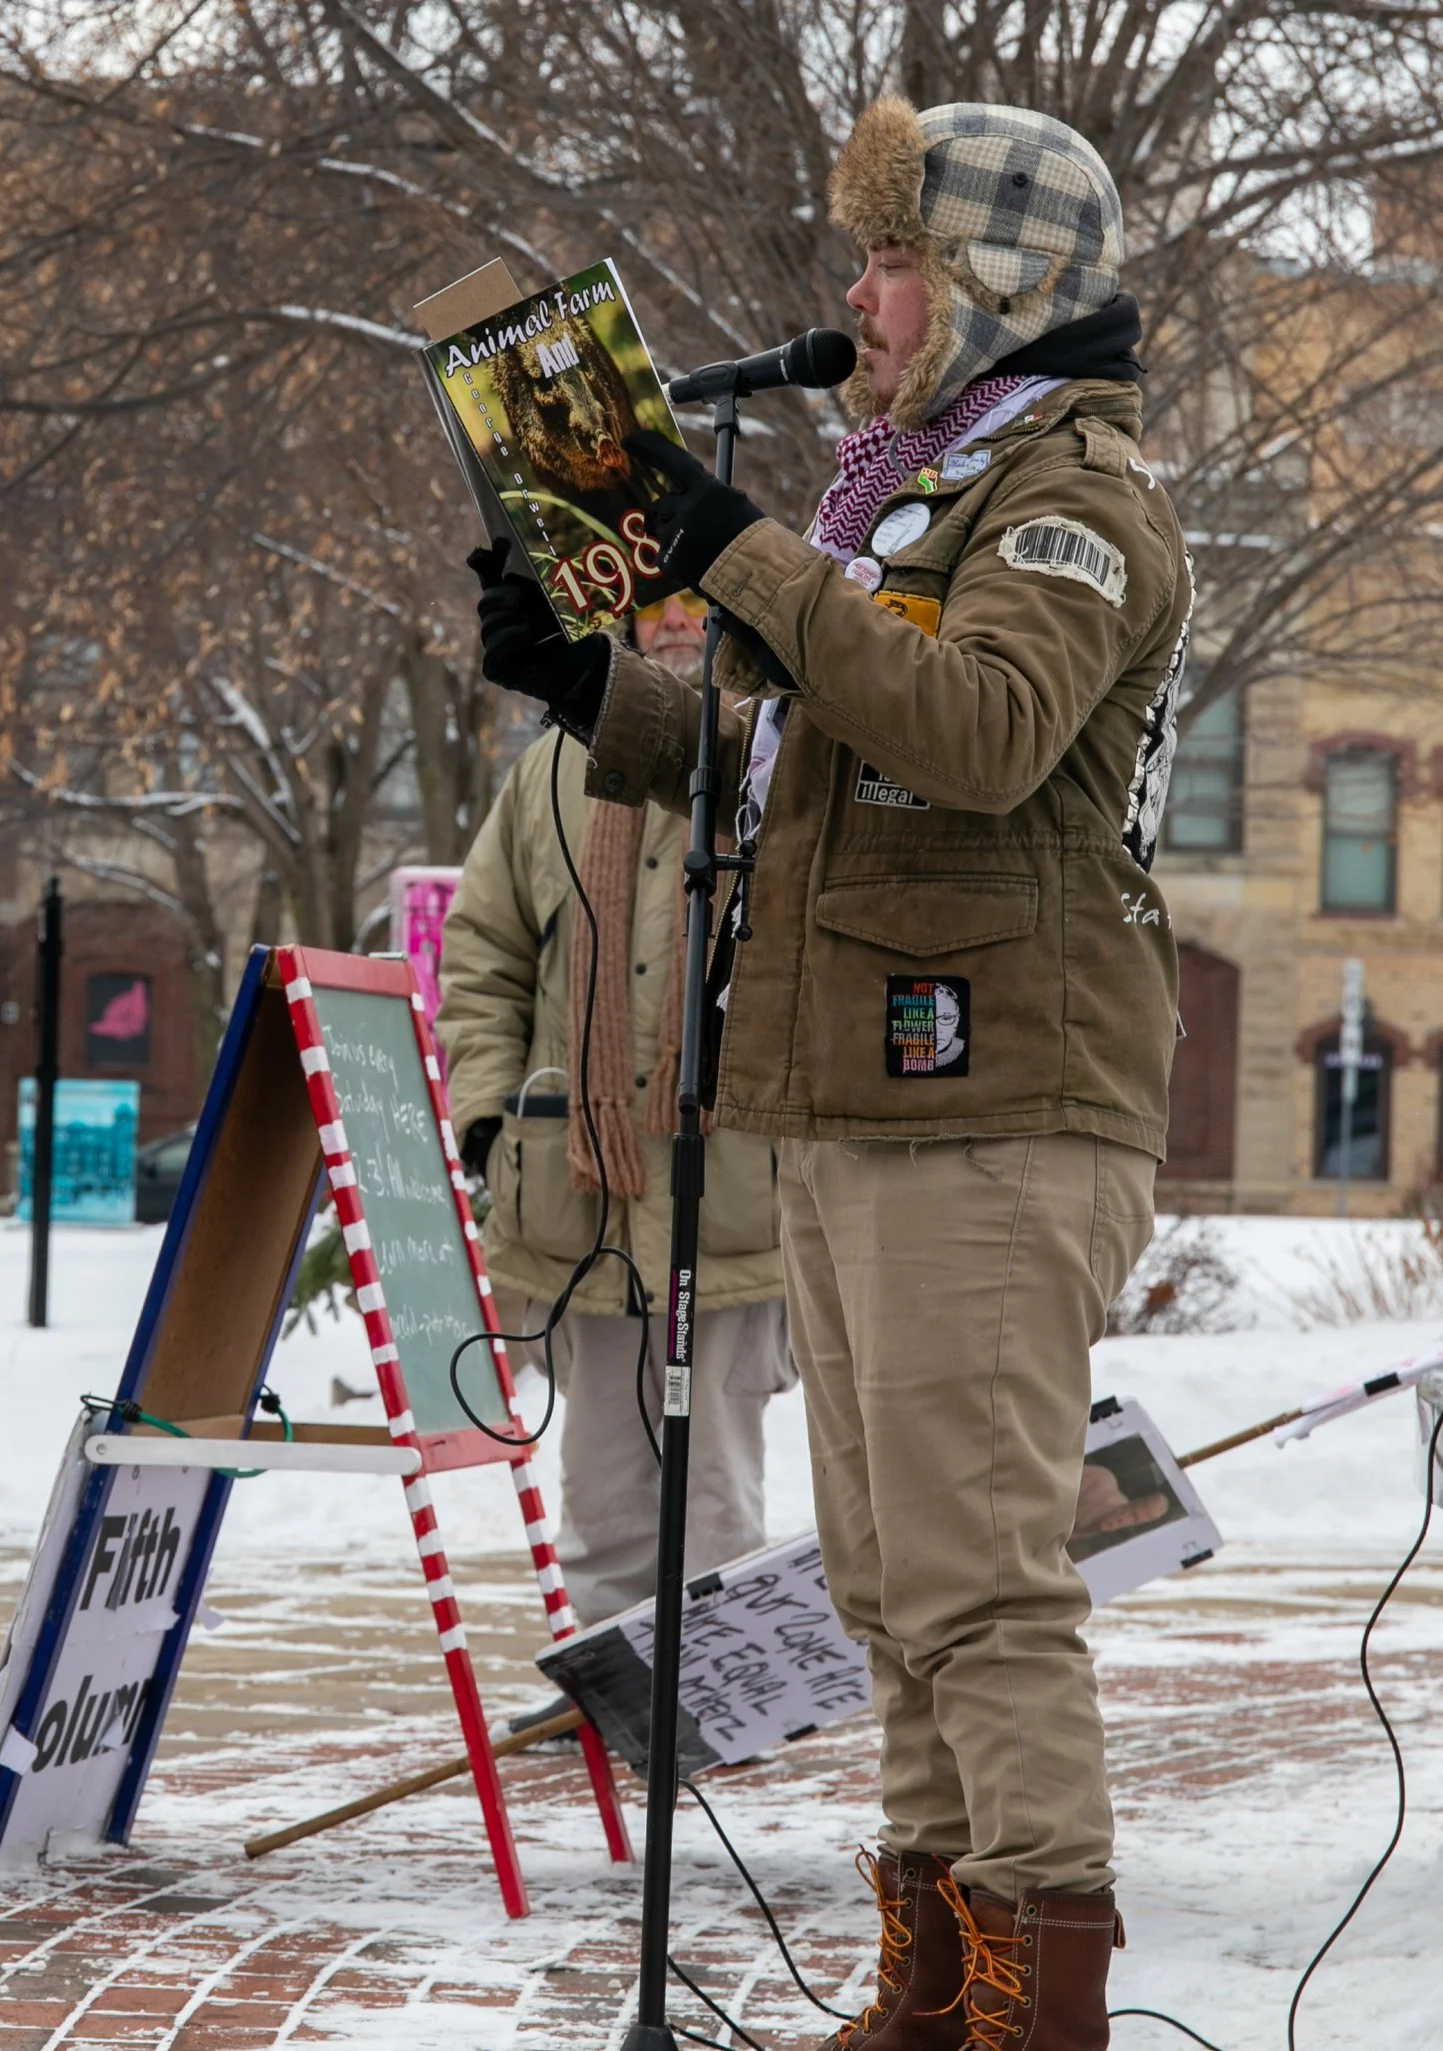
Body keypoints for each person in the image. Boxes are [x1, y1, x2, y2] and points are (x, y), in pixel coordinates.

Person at [474, 100, 1187, 2050]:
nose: (853, 302)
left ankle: (1031, 2000)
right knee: (883, 1576)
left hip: (997, 1101)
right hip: (868, 1101)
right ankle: (927, 1982)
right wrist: (582, 688)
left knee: (974, 1571)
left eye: (885, 264)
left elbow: (967, 728)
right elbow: (792, 781)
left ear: (987, 286)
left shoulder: (1069, 499)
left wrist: (746, 551)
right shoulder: (914, 488)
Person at [438, 595, 794, 1641]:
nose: (675, 621)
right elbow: (482, 957)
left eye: (698, 599)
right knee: (599, 1482)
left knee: (715, 1483)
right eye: (653, 604)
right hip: (571, 1194)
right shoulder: (547, 767)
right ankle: (610, 1690)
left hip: (730, 1196)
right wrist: (489, 1123)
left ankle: (711, 1690)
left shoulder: (775, 751)